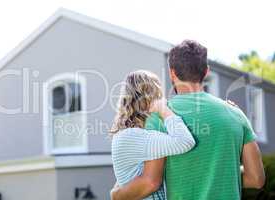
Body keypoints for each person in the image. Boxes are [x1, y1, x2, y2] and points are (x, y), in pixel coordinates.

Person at [111, 40, 265, 200]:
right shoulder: (236, 115)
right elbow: (256, 179)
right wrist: (220, 174)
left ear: (172, 73)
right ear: (206, 72)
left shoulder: (159, 117)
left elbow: (151, 182)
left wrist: (116, 195)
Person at [110, 70, 195, 200]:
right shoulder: (136, 136)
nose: (163, 98)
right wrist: (163, 110)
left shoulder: (126, 134)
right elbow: (185, 141)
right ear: (149, 97)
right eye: (158, 94)